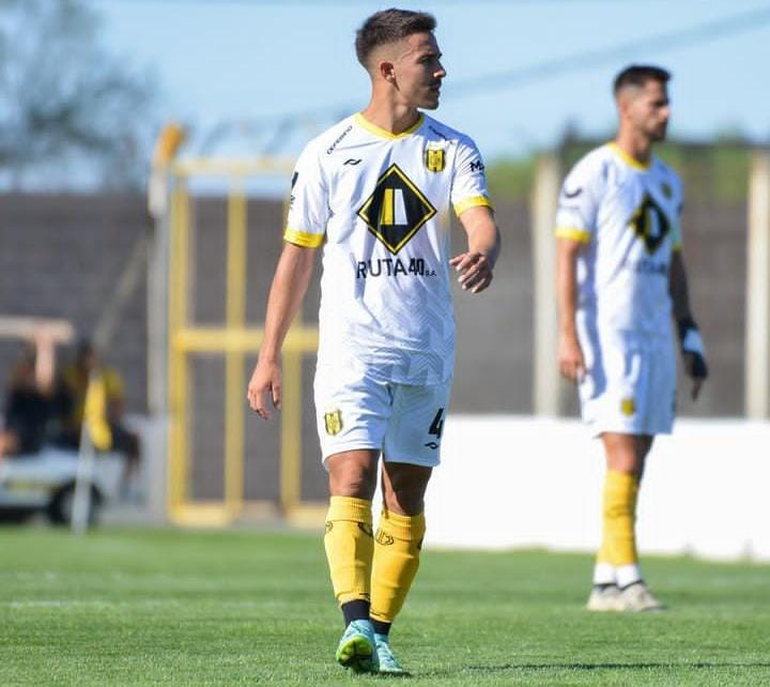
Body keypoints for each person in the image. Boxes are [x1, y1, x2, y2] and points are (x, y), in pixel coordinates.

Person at [247, 8, 500, 674]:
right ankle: (355, 623)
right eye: (429, 59)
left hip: (425, 351)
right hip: (351, 350)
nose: (442, 69)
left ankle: (377, 631)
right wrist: (269, 354)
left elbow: (480, 219)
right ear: (389, 69)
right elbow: (296, 259)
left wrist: (483, 248)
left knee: (405, 497)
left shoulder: (452, 148)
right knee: (351, 476)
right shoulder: (327, 153)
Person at [555, 65, 708, 612]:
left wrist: (689, 332)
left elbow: (674, 262)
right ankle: (630, 579)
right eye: (657, 104)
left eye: (668, 104)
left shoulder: (667, 182)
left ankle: (605, 582)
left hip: (653, 338)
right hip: (607, 336)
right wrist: (568, 334)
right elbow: (566, 253)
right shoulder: (595, 172)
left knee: (637, 457)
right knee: (621, 455)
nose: (666, 113)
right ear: (627, 107)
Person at [57, 340, 141, 500]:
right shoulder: (72, 375)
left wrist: (110, 422)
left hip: (100, 428)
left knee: (134, 440)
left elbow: (118, 404)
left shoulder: (106, 376)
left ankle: (128, 484)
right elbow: (64, 400)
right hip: (73, 429)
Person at [0, 331, 58, 459]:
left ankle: (38, 347)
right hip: (31, 432)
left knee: (28, 384)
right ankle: (44, 346)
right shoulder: (29, 443)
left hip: (22, 418)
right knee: (44, 387)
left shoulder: (18, 390)